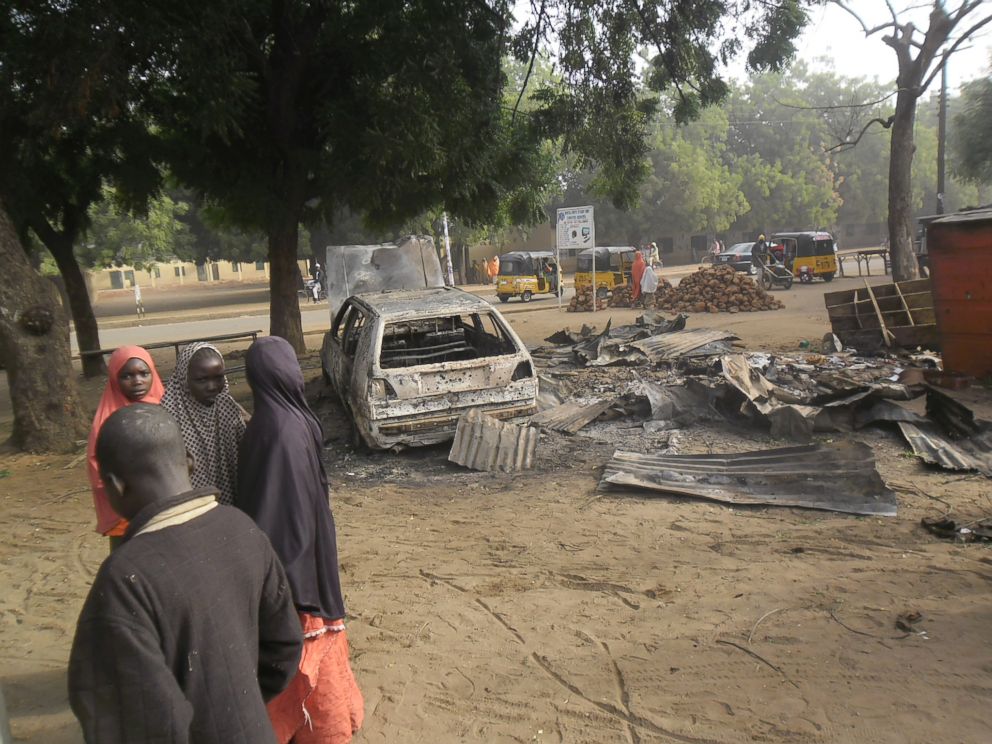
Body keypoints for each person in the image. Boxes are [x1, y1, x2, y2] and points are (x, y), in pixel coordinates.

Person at [69, 404, 303, 744]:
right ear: (190, 460)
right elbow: (283, 645)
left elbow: (130, 716)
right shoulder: (241, 528)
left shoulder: (124, 580)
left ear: (116, 486)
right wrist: (235, 703)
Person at [236, 338, 364, 744]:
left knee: (302, 648)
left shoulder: (277, 425)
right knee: (311, 646)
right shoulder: (288, 424)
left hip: (297, 563)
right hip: (303, 562)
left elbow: (281, 509)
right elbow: (290, 509)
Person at [87, 346, 165, 549]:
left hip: (164, 501)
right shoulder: (107, 420)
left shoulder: (166, 409)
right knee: (126, 559)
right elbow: (97, 466)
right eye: (127, 375)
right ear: (114, 378)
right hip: (125, 509)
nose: (137, 381)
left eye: (144, 373)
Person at [162, 343, 247, 506]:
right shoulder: (168, 419)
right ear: (184, 378)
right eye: (201, 380)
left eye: (218, 377)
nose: (212, 387)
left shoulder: (228, 407)